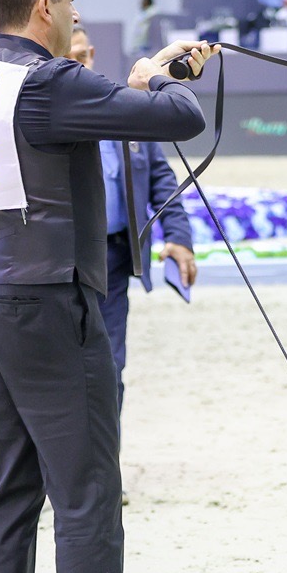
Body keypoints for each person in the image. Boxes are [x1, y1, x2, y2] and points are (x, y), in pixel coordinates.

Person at [0, 0, 216, 573]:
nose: (74, 15)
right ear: (43, 8)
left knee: (8, 496)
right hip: (45, 305)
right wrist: (160, 74)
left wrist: (131, 81)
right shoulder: (48, 82)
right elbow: (181, 117)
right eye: (70, 3)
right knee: (87, 498)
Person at [68, 24, 197, 418]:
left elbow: (159, 177)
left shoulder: (120, 105)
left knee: (110, 366)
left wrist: (178, 237)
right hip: (65, 262)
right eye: (69, 58)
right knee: (66, 373)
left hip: (116, 258)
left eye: (82, 56)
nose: (78, 64)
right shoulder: (51, 110)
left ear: (91, 53)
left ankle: (106, 475)